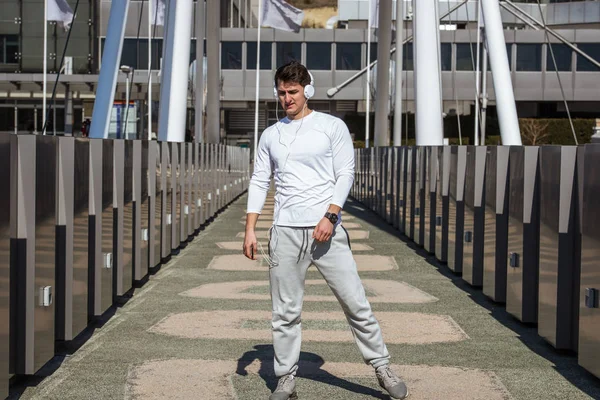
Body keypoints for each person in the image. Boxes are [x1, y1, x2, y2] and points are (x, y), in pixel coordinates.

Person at [243, 61, 408, 400]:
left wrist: (330, 217)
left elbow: (345, 174)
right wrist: (250, 229)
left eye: (293, 92)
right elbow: (260, 179)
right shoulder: (271, 135)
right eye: (282, 92)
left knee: (355, 302)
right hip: (285, 231)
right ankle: (286, 378)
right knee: (284, 312)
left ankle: (382, 366)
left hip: (326, 231)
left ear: (308, 90)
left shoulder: (332, 127)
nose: (287, 98)